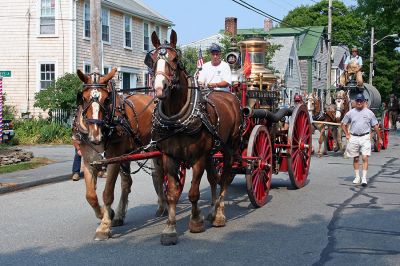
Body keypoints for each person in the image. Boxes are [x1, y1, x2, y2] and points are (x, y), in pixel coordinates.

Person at [341, 93, 382, 186]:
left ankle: (364, 178)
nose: (359, 102)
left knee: (364, 157)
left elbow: (375, 126)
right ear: (355, 102)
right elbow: (343, 124)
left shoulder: (369, 113)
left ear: (364, 102)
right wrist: (347, 134)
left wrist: (379, 138)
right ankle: (357, 177)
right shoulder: (350, 113)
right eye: (357, 101)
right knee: (355, 158)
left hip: (365, 137)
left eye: (361, 101)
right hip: (354, 137)